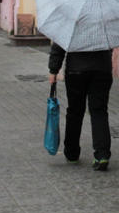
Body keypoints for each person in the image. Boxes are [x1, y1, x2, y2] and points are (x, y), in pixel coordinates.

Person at [48, 42, 113, 171]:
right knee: (99, 111)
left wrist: (53, 70)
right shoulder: (105, 22)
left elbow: (59, 43)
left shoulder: (71, 21)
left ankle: (72, 153)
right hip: (102, 69)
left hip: (76, 69)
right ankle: (102, 155)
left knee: (75, 111)